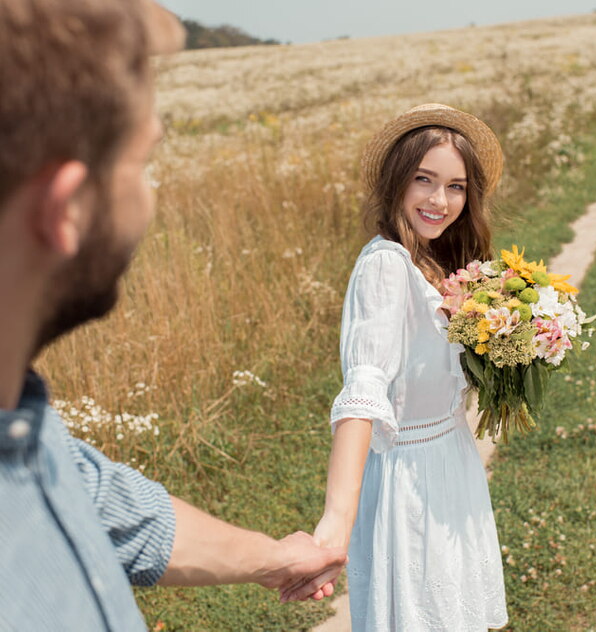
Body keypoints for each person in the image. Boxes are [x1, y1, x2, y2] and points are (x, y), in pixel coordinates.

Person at [0, 1, 346, 629]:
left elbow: (106, 502)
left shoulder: (21, 427)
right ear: (68, 208)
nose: (149, 198)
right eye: (142, 162)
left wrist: (274, 557)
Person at [294, 104, 509, 629]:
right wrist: (336, 523)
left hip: (450, 460)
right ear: (396, 181)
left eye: (456, 186)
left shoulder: (434, 261)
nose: (440, 200)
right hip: (411, 480)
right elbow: (364, 389)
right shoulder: (387, 265)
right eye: (424, 180)